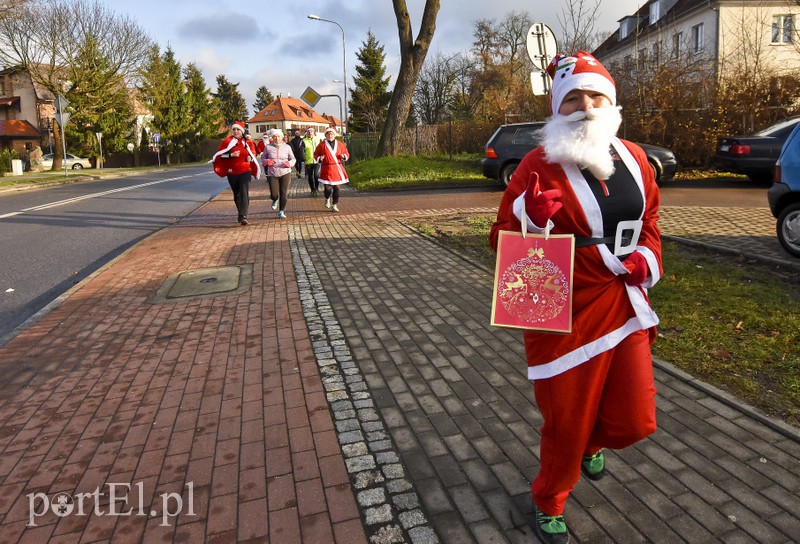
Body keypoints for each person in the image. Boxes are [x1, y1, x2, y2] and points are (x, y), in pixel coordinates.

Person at [488, 52, 663, 544]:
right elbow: (501, 239)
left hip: (622, 296)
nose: (585, 106)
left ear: (611, 102)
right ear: (556, 107)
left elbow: (650, 223)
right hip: (557, 303)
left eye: (595, 96)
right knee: (566, 422)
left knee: (634, 418)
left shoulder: (634, 157)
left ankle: (594, 442)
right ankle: (549, 500)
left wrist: (647, 260)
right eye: (573, 98)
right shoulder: (535, 163)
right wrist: (531, 216)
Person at [210, 120, 259, 225]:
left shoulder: (248, 142)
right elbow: (219, 156)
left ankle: (244, 215)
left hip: (246, 170)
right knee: (237, 194)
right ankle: (240, 213)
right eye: (234, 129)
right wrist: (231, 155)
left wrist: (250, 157)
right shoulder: (227, 142)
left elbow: (253, 153)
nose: (236, 131)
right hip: (232, 172)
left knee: (244, 192)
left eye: (238, 130)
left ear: (242, 131)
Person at [261, 128, 296, 219]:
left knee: (283, 193)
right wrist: (266, 161)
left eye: (279, 136)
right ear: (272, 138)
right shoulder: (268, 147)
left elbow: (293, 159)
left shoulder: (287, 147)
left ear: (282, 137)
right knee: (274, 193)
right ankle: (275, 199)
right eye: (275, 137)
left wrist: (289, 164)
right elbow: (263, 157)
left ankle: (281, 211)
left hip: (285, 172)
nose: (277, 138)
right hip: (272, 172)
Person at [314, 127, 350, 213]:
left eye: (332, 134)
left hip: (337, 168)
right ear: (326, 135)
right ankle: (327, 198)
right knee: (328, 188)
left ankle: (334, 205)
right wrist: (320, 158)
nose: (330, 135)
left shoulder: (340, 144)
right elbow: (316, 154)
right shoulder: (321, 145)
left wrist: (343, 156)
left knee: (337, 188)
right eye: (328, 134)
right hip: (327, 168)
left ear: (334, 135)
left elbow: (346, 153)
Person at [302, 127, 323, 195]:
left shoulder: (318, 139)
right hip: (308, 161)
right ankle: (312, 189)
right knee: (310, 176)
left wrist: (322, 156)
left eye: (312, 132)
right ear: (307, 133)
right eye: (309, 132)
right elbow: (301, 151)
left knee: (316, 175)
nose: (310, 133)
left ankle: (316, 188)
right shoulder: (304, 141)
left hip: (317, 161)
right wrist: (303, 158)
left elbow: (322, 148)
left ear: (314, 133)